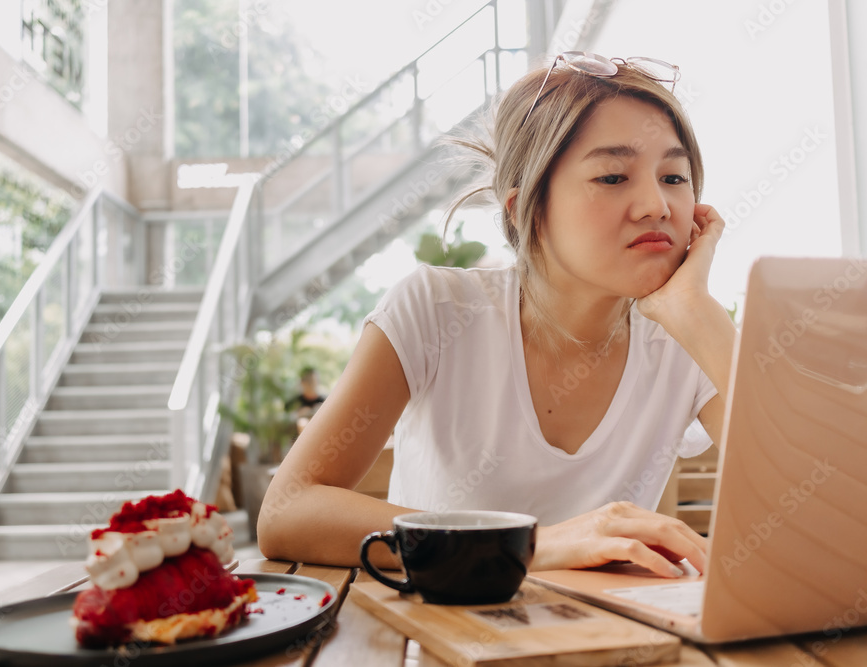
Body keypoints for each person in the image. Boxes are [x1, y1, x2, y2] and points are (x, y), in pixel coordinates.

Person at [258, 52, 737, 578]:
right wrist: (527, 546)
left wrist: (694, 309)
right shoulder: (436, 311)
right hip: (436, 640)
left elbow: (821, 495)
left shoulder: (688, 336)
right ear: (527, 209)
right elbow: (287, 512)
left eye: (674, 177)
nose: (657, 205)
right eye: (612, 176)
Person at [285, 366, 327, 434]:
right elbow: (286, 416)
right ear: (302, 382)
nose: (311, 384)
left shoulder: (325, 402)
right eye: (308, 380)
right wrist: (297, 415)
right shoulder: (295, 402)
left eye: (313, 380)